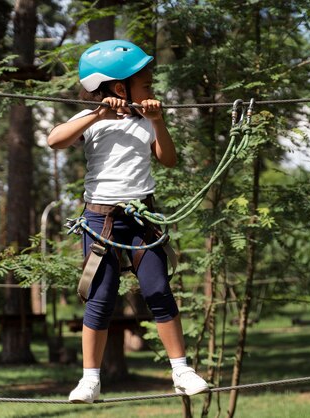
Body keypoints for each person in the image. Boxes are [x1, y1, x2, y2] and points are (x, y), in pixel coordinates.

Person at [47, 39, 208, 403]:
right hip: (101, 220)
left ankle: (181, 370)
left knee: (158, 292)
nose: (152, 91)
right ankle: (90, 380)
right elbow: (54, 140)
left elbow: (168, 159)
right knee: (100, 299)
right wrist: (97, 115)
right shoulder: (92, 120)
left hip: (141, 220)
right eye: (146, 84)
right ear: (121, 88)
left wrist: (157, 119)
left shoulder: (146, 121)